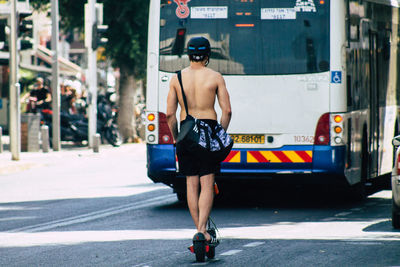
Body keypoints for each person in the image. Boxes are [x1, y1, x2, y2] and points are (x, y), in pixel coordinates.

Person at [166, 37, 232, 244]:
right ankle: (203, 230)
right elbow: (227, 111)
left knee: (191, 183)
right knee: (207, 181)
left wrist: (177, 137)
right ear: (207, 54)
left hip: (186, 131)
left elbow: (169, 114)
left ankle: (199, 230)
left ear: (188, 53)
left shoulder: (177, 78)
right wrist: (219, 133)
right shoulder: (216, 77)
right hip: (208, 131)